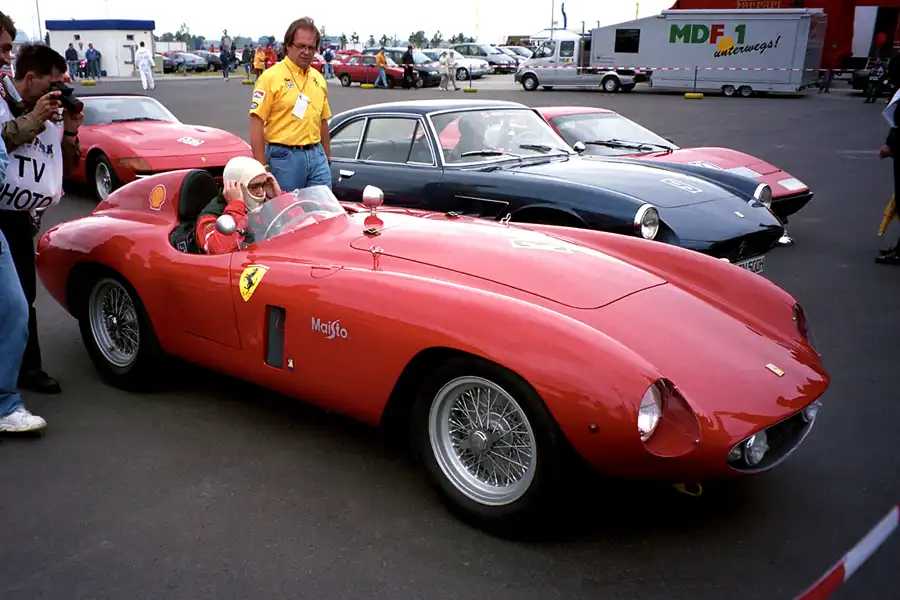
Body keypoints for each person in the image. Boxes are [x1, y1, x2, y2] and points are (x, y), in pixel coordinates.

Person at [0, 42, 83, 394]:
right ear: (31, 78)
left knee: (23, 297)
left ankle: (28, 368)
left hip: (19, 215)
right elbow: (4, 139)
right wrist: (35, 117)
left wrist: (71, 130)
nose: (59, 92)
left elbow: (67, 167)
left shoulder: (50, 113)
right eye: (54, 84)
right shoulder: (5, 103)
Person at [0, 12, 47, 431]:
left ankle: (8, 398)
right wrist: (34, 119)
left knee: (17, 303)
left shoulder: (4, 91)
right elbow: (10, 135)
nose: (6, 58)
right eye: (1, 49)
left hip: (10, 210)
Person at [249, 17, 333, 193]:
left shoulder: (318, 79)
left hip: (317, 156)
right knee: (285, 208)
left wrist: (326, 155)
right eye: (301, 46)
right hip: (284, 158)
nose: (306, 52)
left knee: (322, 207)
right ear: (288, 45)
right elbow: (256, 121)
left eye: (311, 47)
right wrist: (261, 167)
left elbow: (323, 120)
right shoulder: (270, 78)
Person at [194, 156, 287, 254]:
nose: (261, 192)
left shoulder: (267, 203)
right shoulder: (209, 217)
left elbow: (297, 229)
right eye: (254, 186)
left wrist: (279, 198)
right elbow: (219, 250)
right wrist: (236, 207)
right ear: (235, 186)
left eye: (263, 185)